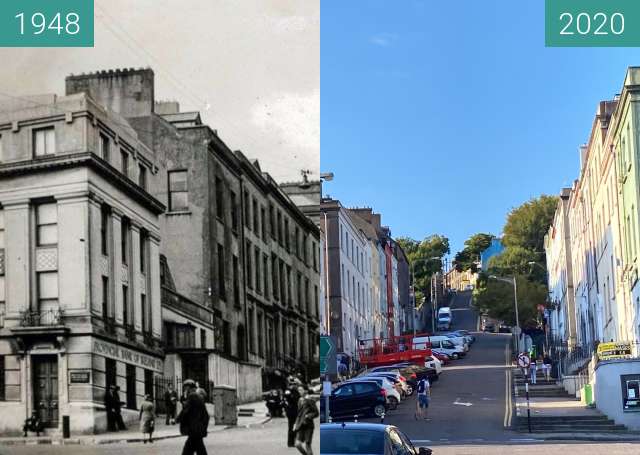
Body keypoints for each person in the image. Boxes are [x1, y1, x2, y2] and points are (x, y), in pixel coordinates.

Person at [176, 379, 210, 455]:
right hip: (198, 430)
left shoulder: (192, 396)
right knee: (200, 450)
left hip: (193, 430)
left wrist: (176, 420)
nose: (185, 390)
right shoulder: (199, 397)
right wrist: (203, 426)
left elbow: (185, 411)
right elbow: (206, 416)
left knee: (187, 451)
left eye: (185, 388)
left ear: (189, 387)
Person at [293, 386, 319, 455]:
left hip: (308, 425)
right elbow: (299, 414)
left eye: (301, 390)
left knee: (308, 445)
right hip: (300, 425)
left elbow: (316, 413)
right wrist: (295, 423)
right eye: (298, 390)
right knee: (297, 444)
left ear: (305, 390)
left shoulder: (309, 399)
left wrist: (308, 416)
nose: (299, 391)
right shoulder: (299, 400)